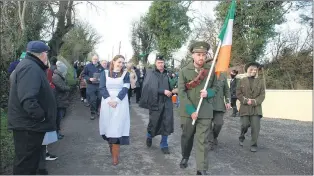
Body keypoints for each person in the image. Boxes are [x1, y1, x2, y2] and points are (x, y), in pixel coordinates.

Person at [8, 41, 57, 175]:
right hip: (28, 126)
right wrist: (41, 117)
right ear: (42, 54)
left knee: (29, 163)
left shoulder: (30, 65)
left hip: (28, 125)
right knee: (25, 165)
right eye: (46, 53)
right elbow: (28, 99)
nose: (47, 56)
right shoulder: (30, 68)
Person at [178, 41, 219, 175]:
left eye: (204, 54)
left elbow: (216, 88)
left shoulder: (210, 71)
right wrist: (191, 111)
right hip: (188, 112)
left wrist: (209, 93)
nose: (201, 57)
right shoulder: (184, 71)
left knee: (203, 141)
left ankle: (201, 168)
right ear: (193, 55)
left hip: (205, 111)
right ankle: (185, 156)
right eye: (198, 54)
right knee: (187, 137)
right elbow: (182, 93)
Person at [99, 55, 130, 166]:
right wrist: (109, 100)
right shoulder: (105, 73)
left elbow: (125, 88)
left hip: (120, 103)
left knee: (117, 127)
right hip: (107, 102)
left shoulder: (126, 74)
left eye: (123, 62)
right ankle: (111, 146)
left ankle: (115, 156)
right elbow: (102, 87)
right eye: (119, 62)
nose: (121, 64)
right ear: (113, 62)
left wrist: (116, 100)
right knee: (108, 125)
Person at [139, 55, 174, 154]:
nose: (160, 64)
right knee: (153, 123)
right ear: (155, 63)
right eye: (158, 62)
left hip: (167, 102)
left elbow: (173, 86)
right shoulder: (151, 73)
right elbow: (148, 88)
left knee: (166, 123)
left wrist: (174, 88)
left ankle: (164, 144)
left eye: (162, 62)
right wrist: (163, 91)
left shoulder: (168, 73)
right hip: (155, 102)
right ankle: (149, 136)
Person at [236, 62, 265, 152]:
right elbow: (238, 93)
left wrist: (254, 101)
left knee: (255, 127)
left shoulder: (261, 81)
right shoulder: (242, 80)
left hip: (256, 108)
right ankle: (242, 135)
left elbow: (262, 95)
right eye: (251, 69)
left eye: (255, 70)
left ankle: (254, 144)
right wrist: (245, 100)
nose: (253, 71)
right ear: (247, 70)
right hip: (245, 107)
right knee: (244, 125)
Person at [208, 72, 231, 150]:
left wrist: (228, 101)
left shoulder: (223, 75)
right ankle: (210, 141)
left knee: (219, 123)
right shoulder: (206, 73)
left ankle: (214, 137)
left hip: (219, 105)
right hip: (208, 104)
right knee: (208, 125)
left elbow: (227, 90)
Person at [52, 61, 70, 139]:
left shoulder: (59, 76)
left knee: (59, 118)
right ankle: (56, 133)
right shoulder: (56, 77)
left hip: (60, 99)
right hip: (58, 100)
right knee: (57, 118)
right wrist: (68, 88)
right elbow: (62, 87)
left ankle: (57, 132)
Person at [83, 54, 104, 120]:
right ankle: (92, 113)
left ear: (98, 60)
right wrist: (89, 78)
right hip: (91, 85)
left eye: (96, 59)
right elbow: (84, 75)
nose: (95, 60)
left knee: (100, 98)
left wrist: (101, 79)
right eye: (94, 59)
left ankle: (97, 109)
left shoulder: (101, 67)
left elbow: (104, 75)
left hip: (99, 85)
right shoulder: (88, 66)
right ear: (92, 59)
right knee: (92, 100)